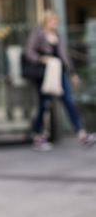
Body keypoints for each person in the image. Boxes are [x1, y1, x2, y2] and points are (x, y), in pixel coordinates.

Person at [25, 9, 96, 151]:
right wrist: (41, 59)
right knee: (44, 105)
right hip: (44, 73)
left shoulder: (58, 35)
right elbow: (29, 52)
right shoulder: (38, 34)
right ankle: (38, 137)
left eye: (57, 21)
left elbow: (64, 56)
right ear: (46, 21)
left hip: (59, 72)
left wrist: (72, 72)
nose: (55, 23)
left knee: (69, 101)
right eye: (53, 20)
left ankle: (81, 133)